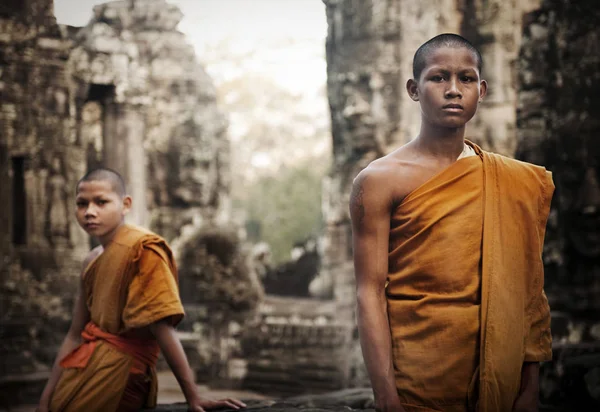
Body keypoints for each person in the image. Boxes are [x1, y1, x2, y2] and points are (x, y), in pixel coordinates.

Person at [349, 34, 553, 412]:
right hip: (420, 377)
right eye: (439, 78)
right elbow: (369, 292)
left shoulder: (514, 180)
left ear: (483, 89)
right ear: (414, 89)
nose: (454, 90)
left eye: (467, 79)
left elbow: (527, 289)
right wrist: (386, 396)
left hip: (501, 379)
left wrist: (530, 385)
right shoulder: (379, 180)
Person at [37, 168, 246, 412]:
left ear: (125, 205)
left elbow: (162, 327)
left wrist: (193, 397)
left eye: (101, 202)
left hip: (122, 375)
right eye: (81, 204)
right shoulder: (91, 260)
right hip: (83, 369)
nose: (89, 212)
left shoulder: (143, 249)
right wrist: (46, 399)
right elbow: (75, 334)